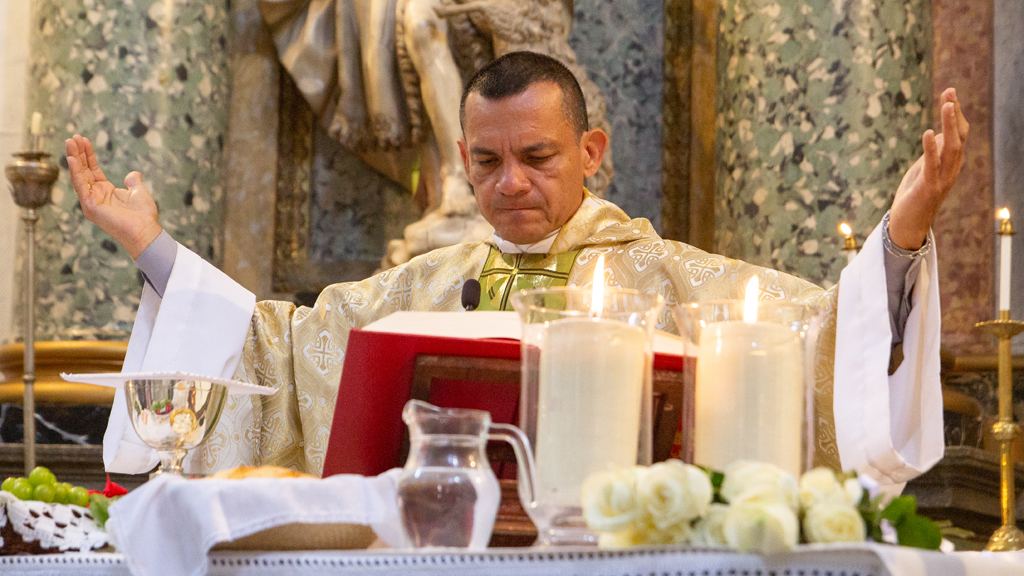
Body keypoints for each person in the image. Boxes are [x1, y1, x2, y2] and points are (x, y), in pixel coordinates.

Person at [66, 51, 968, 487]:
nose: (511, 184)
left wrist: (901, 230)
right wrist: (151, 244)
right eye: (487, 163)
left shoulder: (671, 280)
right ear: (462, 157)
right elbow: (275, 346)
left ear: (592, 151)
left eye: (537, 157)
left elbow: (822, 335)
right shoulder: (417, 287)